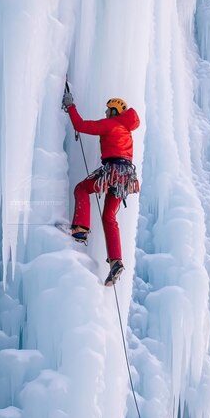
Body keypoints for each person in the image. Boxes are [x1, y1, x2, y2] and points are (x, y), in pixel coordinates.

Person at [62, 91, 140, 286]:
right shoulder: (127, 131)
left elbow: (81, 126)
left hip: (112, 171)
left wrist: (70, 106)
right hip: (126, 178)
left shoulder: (112, 124)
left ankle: (80, 230)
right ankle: (116, 261)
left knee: (81, 189)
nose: (105, 113)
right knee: (109, 217)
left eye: (108, 110)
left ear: (115, 112)